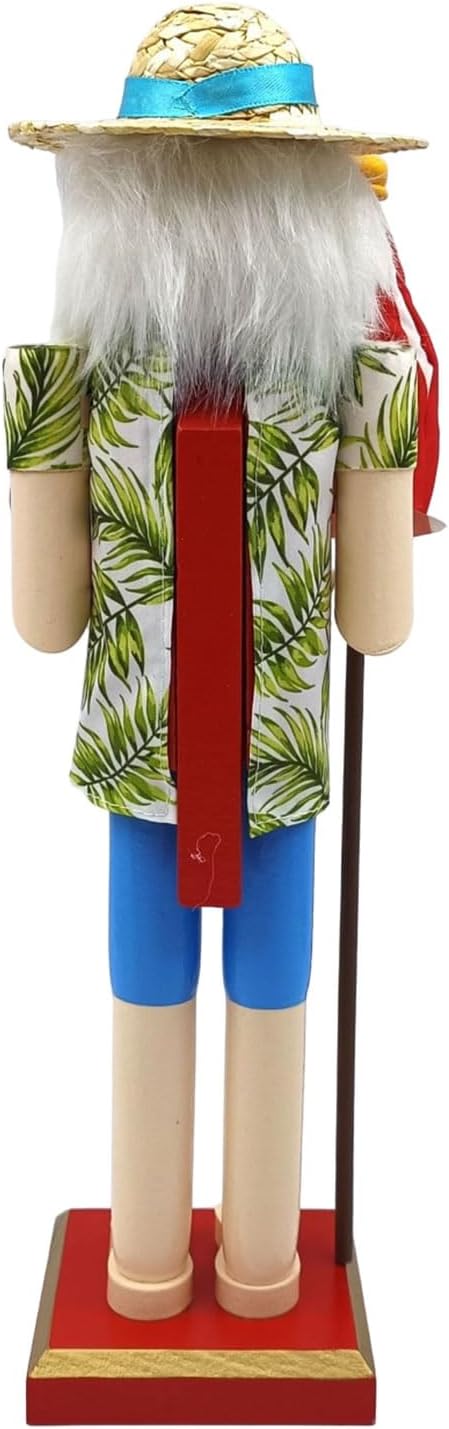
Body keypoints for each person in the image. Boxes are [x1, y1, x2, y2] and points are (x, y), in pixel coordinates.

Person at [4, 3, 435, 1320]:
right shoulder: (74, 376)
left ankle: (234, 1270)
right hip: (181, 753)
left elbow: (44, 617)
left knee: (253, 987)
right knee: (175, 984)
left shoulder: (348, 372)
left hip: (257, 757)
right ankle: (189, 1269)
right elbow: (378, 620)